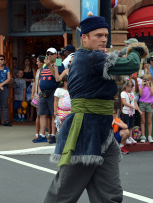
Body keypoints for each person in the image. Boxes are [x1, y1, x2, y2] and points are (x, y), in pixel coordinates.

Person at [43, 12, 147, 203]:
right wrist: (134, 49)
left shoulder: (92, 58)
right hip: (84, 131)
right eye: (98, 35)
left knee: (110, 194)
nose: (103, 39)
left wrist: (121, 53)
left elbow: (113, 72)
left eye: (106, 36)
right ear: (84, 38)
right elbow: (130, 65)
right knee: (63, 193)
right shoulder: (90, 58)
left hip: (102, 130)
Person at [33, 47, 63, 144]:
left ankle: (53, 135)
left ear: (56, 55)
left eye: (51, 54)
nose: (49, 55)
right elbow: (41, 77)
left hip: (53, 91)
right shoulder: (45, 64)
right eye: (48, 53)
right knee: (42, 114)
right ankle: (42, 135)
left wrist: (50, 65)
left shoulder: (58, 63)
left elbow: (57, 77)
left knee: (53, 114)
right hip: (43, 92)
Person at [120, 80, 142, 144]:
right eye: (130, 87)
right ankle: (126, 137)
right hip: (126, 112)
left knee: (131, 125)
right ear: (126, 86)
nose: (131, 89)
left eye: (132, 87)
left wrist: (139, 110)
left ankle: (130, 137)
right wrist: (132, 107)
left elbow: (134, 102)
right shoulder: (123, 93)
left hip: (132, 112)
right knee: (126, 125)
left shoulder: (132, 93)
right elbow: (124, 102)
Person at [139, 73, 153, 143]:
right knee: (143, 121)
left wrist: (149, 86)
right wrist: (142, 85)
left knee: (149, 121)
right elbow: (140, 94)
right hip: (142, 104)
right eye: (145, 80)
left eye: (148, 80)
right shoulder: (141, 86)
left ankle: (149, 136)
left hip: (149, 104)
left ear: (151, 80)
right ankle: (143, 136)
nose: (146, 82)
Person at [31, 55, 44, 140]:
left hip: (43, 95)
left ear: (42, 62)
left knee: (45, 116)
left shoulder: (45, 70)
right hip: (36, 94)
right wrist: (32, 94)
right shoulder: (38, 70)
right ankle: (37, 133)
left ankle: (47, 133)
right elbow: (35, 82)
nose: (36, 62)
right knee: (38, 115)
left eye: (38, 61)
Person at [23, 57, 36, 121]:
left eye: (28, 61)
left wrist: (28, 80)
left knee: (31, 103)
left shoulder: (32, 69)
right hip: (24, 87)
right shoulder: (22, 70)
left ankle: (31, 117)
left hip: (31, 87)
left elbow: (35, 79)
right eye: (26, 61)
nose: (27, 62)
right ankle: (27, 116)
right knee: (25, 102)